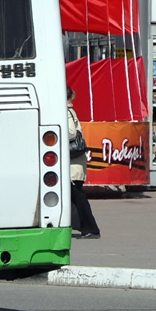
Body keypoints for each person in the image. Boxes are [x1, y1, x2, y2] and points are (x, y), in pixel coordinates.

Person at [68, 88, 101, 240]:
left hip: (73, 163)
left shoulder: (67, 111)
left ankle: (91, 229)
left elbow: (71, 133)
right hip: (74, 162)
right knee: (75, 196)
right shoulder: (69, 110)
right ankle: (84, 227)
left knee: (78, 196)